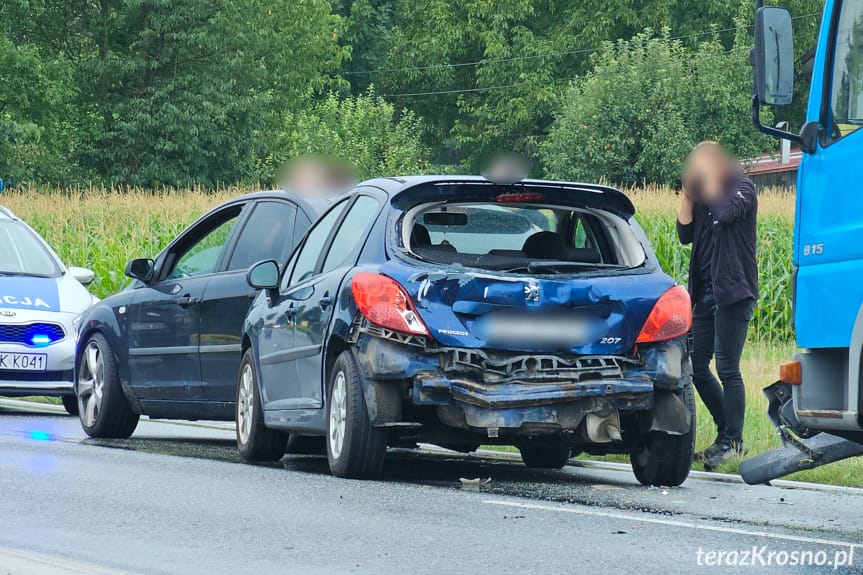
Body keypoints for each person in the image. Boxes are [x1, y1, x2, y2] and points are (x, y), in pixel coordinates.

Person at [676, 141, 758, 469]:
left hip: (734, 292)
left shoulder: (742, 187)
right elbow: (684, 234)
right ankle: (726, 436)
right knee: (697, 367)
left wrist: (709, 182)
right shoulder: (703, 195)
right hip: (705, 294)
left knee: (727, 367)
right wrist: (686, 194)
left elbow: (726, 214)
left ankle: (734, 441)